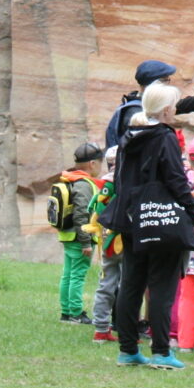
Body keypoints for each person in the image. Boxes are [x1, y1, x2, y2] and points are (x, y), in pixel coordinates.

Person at [105, 83, 194, 368]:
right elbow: (175, 179)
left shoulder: (129, 135)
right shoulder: (164, 136)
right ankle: (161, 351)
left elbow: (120, 177)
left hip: (131, 216)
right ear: (167, 109)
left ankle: (127, 350)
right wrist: (193, 214)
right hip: (161, 218)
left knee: (131, 283)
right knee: (162, 285)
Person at [104, 60, 194, 149]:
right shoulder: (135, 113)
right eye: (167, 80)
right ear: (156, 84)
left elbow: (187, 104)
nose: (169, 84)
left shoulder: (149, 107)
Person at [56, 141, 102, 324]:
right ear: (92, 163)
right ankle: (75, 313)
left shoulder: (70, 178)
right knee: (77, 275)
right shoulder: (84, 184)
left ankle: (66, 312)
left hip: (68, 235)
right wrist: (86, 242)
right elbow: (82, 214)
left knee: (68, 273)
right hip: (79, 238)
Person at [89, 146, 127, 343]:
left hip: (106, 238)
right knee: (128, 285)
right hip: (123, 239)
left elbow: (94, 208)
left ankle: (101, 328)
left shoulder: (104, 184)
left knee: (106, 283)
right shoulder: (125, 182)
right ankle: (127, 329)